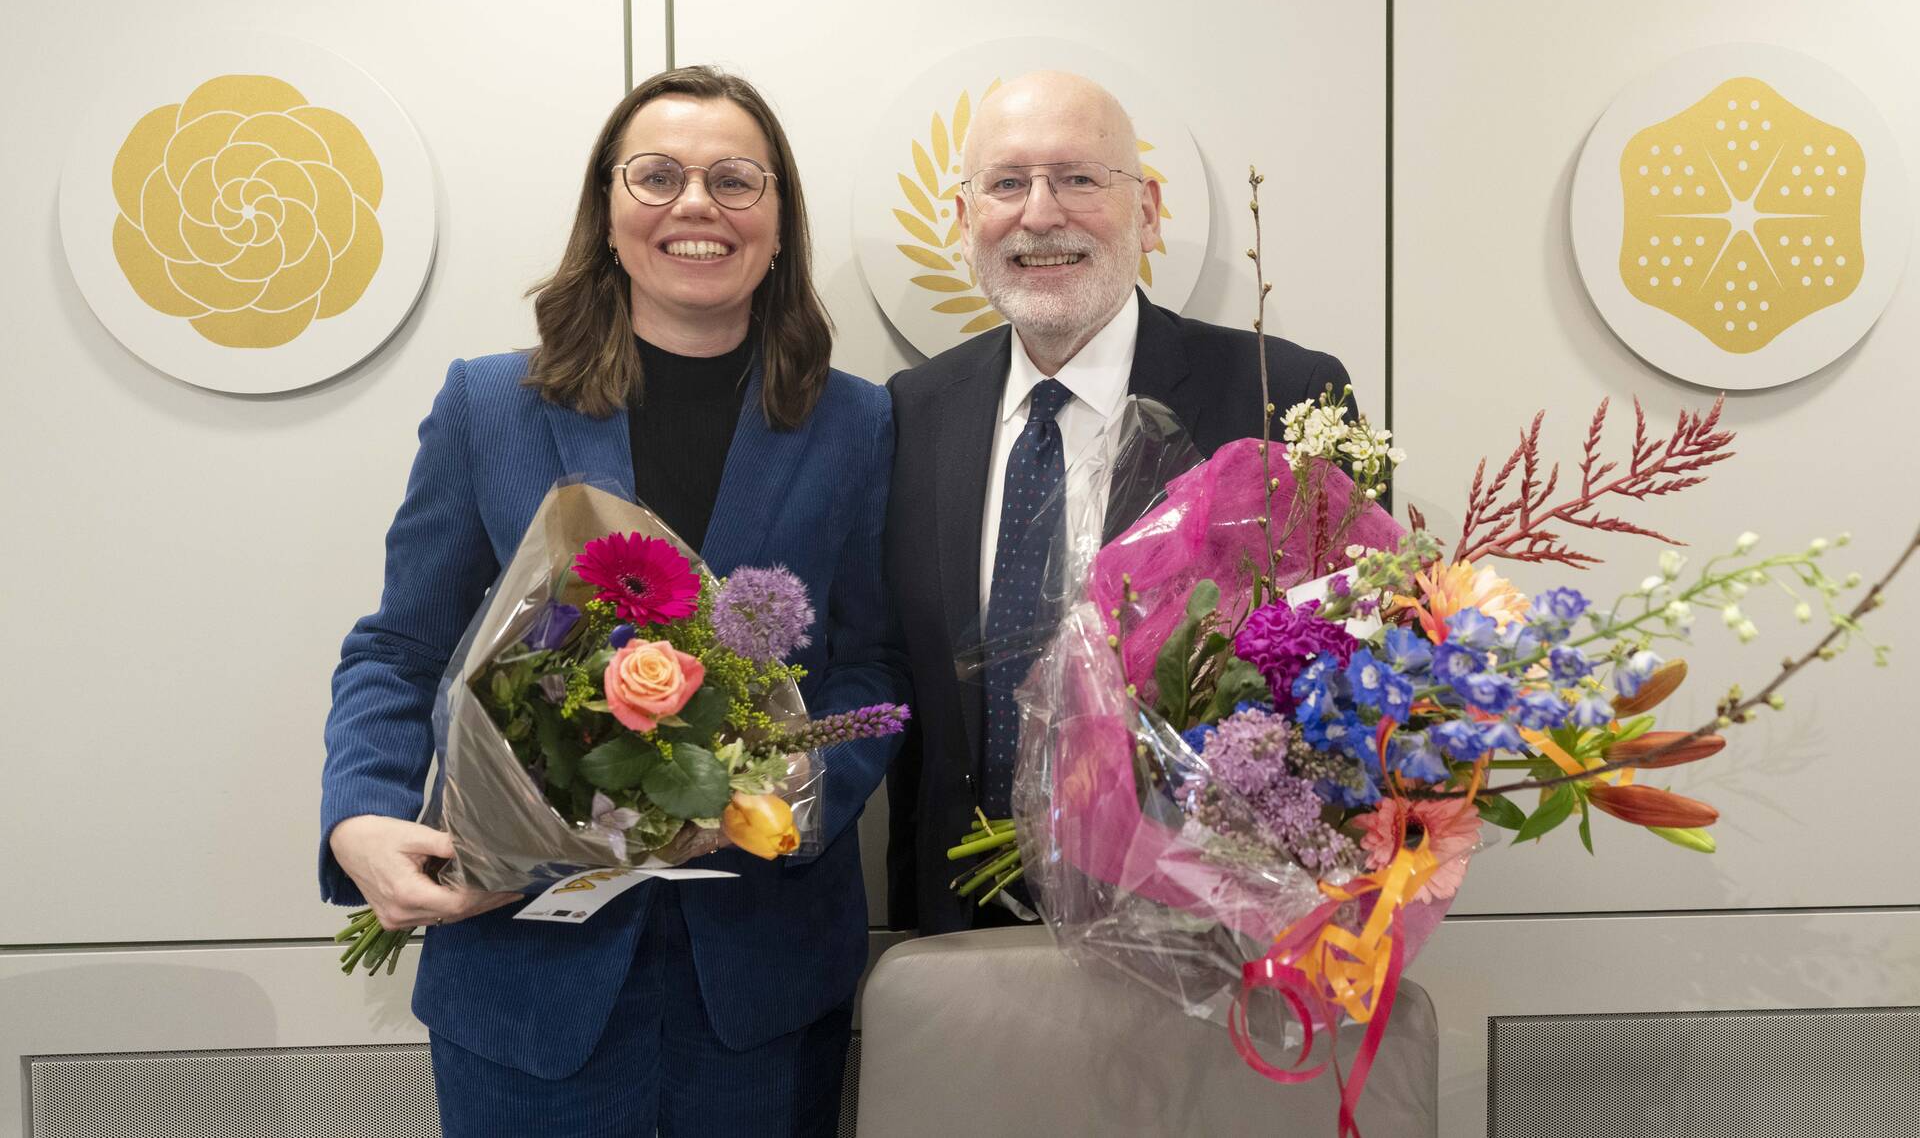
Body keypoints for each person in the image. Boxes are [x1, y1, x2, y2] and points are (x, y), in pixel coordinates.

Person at [319, 66, 905, 1136]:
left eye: (736, 179)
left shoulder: (855, 425)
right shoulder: (490, 404)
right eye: (658, 175)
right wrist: (359, 813)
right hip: (525, 980)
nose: (696, 206)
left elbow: (871, 668)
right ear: (606, 207)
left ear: (779, 222)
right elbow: (400, 648)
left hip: (760, 990)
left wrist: (792, 788)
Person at [884, 71, 1359, 936]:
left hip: (1203, 931)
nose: (1038, 214)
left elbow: (1342, 677)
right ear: (962, 222)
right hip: (962, 936)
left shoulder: (1277, 397)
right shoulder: (914, 412)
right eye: (1006, 183)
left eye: (1077, 178)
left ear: (1148, 213)